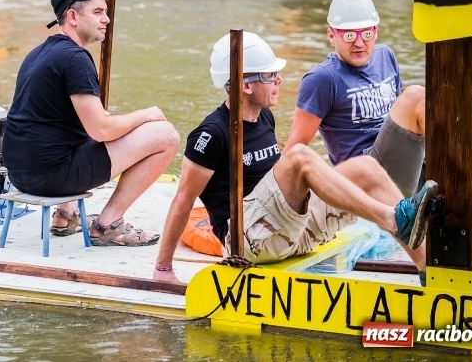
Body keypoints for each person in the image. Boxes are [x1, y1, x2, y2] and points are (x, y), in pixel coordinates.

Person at [153, 32, 436, 284]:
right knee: (299, 155)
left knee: (366, 167)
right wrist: (163, 268)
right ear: (246, 86)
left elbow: (276, 191)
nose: (279, 81)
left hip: (287, 230)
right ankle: (393, 218)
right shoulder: (212, 134)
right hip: (246, 240)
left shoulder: (265, 117)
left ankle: (428, 271)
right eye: (269, 76)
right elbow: (183, 199)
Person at [2, 0, 180, 246]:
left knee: (76, 129)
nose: (106, 19)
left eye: (105, 12)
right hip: (50, 177)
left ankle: (66, 215)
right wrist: (146, 114)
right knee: (165, 135)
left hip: (18, 174)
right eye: (98, 12)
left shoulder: (39, 53)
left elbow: (73, 124)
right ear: (73, 16)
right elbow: (101, 130)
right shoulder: (74, 58)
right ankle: (109, 223)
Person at [285, 0, 426, 197]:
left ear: (376, 31)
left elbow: (401, 122)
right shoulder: (322, 79)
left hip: (402, 164)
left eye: (367, 33)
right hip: (363, 177)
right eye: (349, 35)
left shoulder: (386, 56)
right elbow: (295, 148)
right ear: (332, 35)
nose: (359, 43)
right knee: (416, 96)